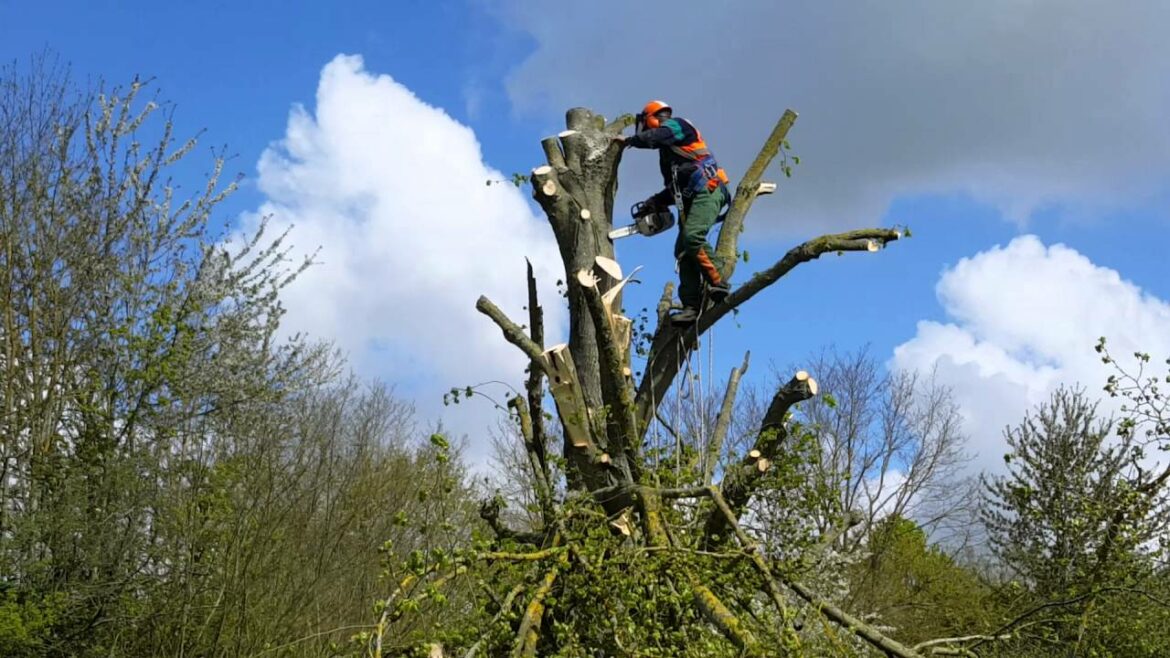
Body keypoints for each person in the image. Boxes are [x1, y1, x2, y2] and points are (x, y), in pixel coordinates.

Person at [616, 100, 731, 324]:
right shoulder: (668, 157)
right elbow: (674, 188)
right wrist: (656, 201)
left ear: (651, 119)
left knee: (692, 238)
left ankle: (718, 280)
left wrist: (630, 140)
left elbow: (656, 136)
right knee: (682, 250)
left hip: (708, 190)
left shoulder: (678, 126)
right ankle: (691, 306)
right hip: (689, 199)